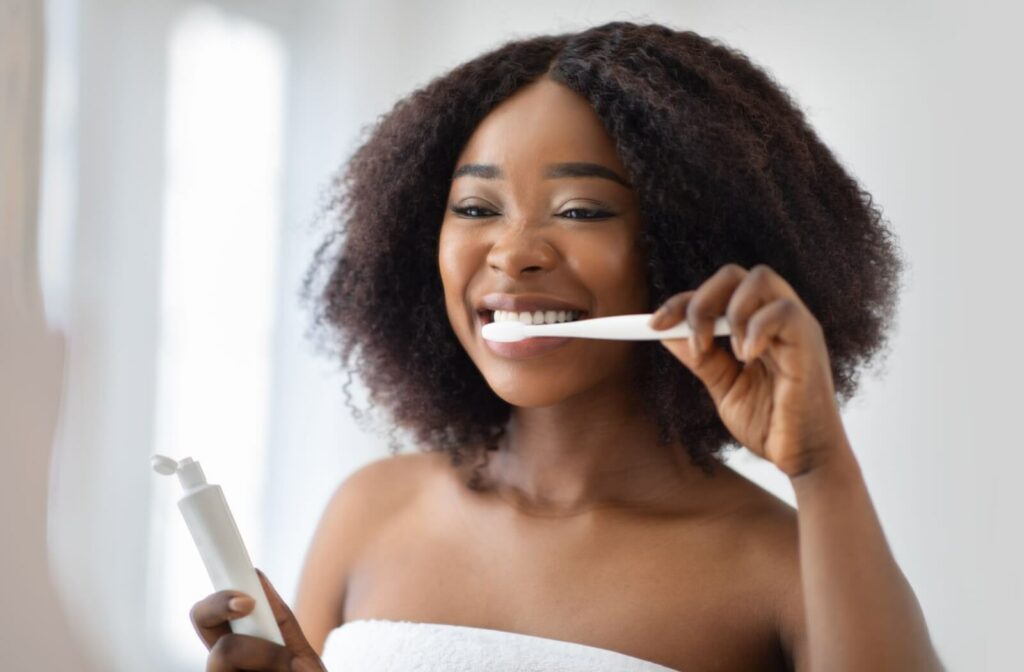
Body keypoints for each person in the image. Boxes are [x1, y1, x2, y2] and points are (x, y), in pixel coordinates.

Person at [189, 21, 944, 671]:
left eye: (581, 210)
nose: (514, 253)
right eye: (477, 206)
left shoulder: (775, 566)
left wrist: (821, 466)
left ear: (690, 245)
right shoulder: (373, 511)